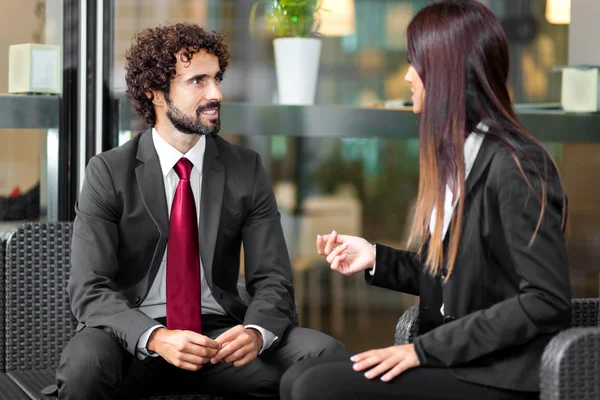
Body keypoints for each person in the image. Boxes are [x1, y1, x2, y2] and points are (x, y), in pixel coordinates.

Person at [280, 1, 571, 399]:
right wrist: (376, 258)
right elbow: (456, 278)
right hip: (455, 359)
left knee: (314, 387)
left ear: (446, 72)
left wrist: (422, 351)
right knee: (297, 376)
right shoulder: (459, 158)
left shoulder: (516, 165)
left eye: (414, 63)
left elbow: (545, 300)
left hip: (497, 374)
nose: (406, 76)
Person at [55, 23, 345, 400]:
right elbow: (88, 288)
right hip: (132, 338)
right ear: (155, 93)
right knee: (85, 364)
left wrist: (255, 333)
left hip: (219, 338)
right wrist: (155, 337)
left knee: (325, 356)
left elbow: (273, 280)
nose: (216, 93)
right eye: (198, 81)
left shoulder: (246, 168)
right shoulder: (108, 172)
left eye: (217, 79)